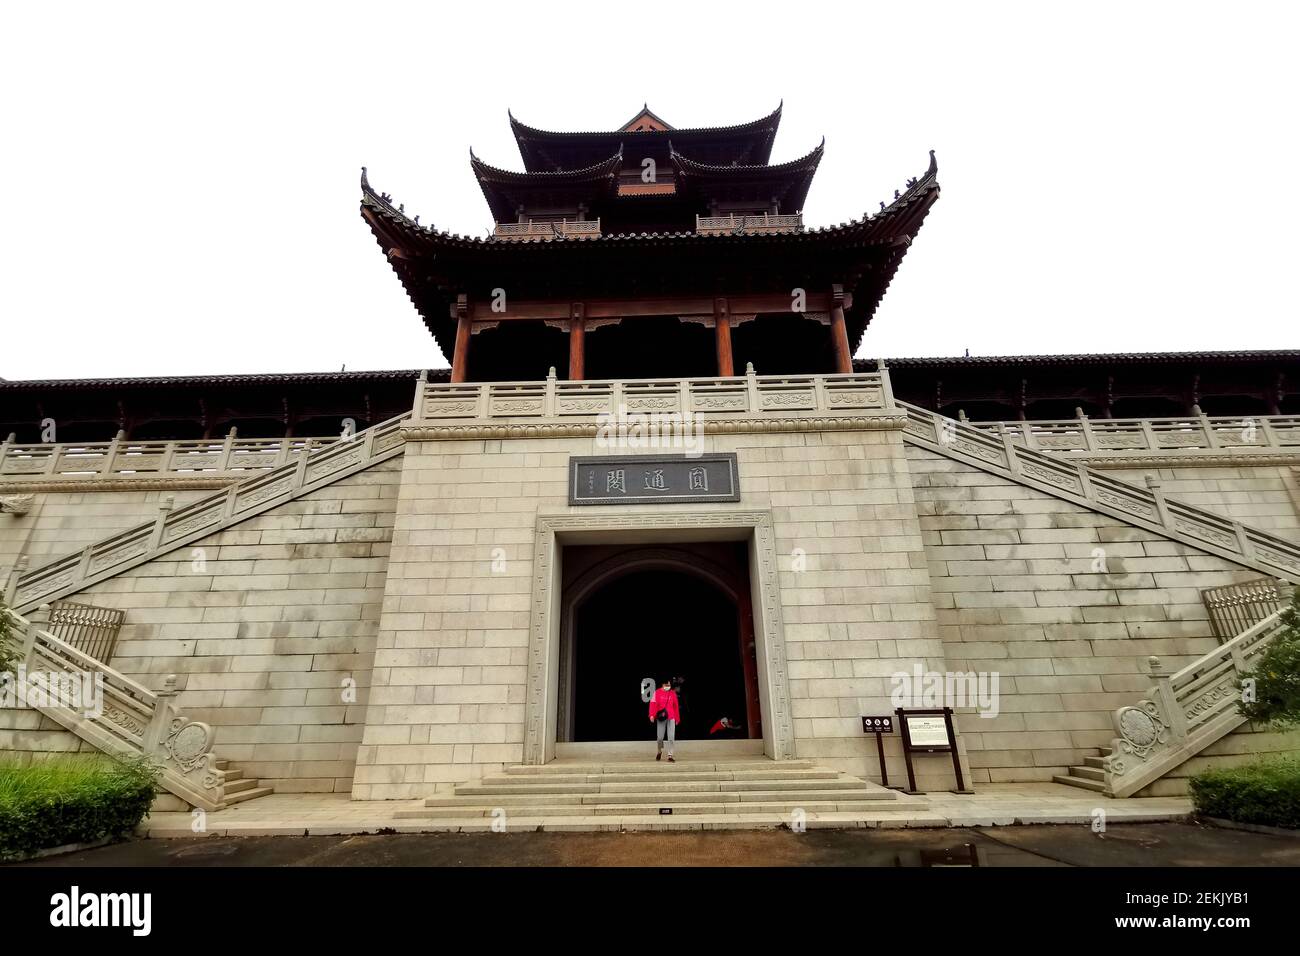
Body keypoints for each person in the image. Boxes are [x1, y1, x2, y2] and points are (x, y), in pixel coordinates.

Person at [648, 678, 681, 762]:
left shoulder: (672, 693)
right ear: (662, 684)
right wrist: (651, 715)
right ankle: (659, 751)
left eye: (669, 685)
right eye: (666, 685)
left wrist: (677, 718)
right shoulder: (657, 692)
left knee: (671, 737)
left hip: (671, 717)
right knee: (660, 737)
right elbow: (652, 704)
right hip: (661, 717)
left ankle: (670, 755)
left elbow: (676, 706)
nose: (668, 687)